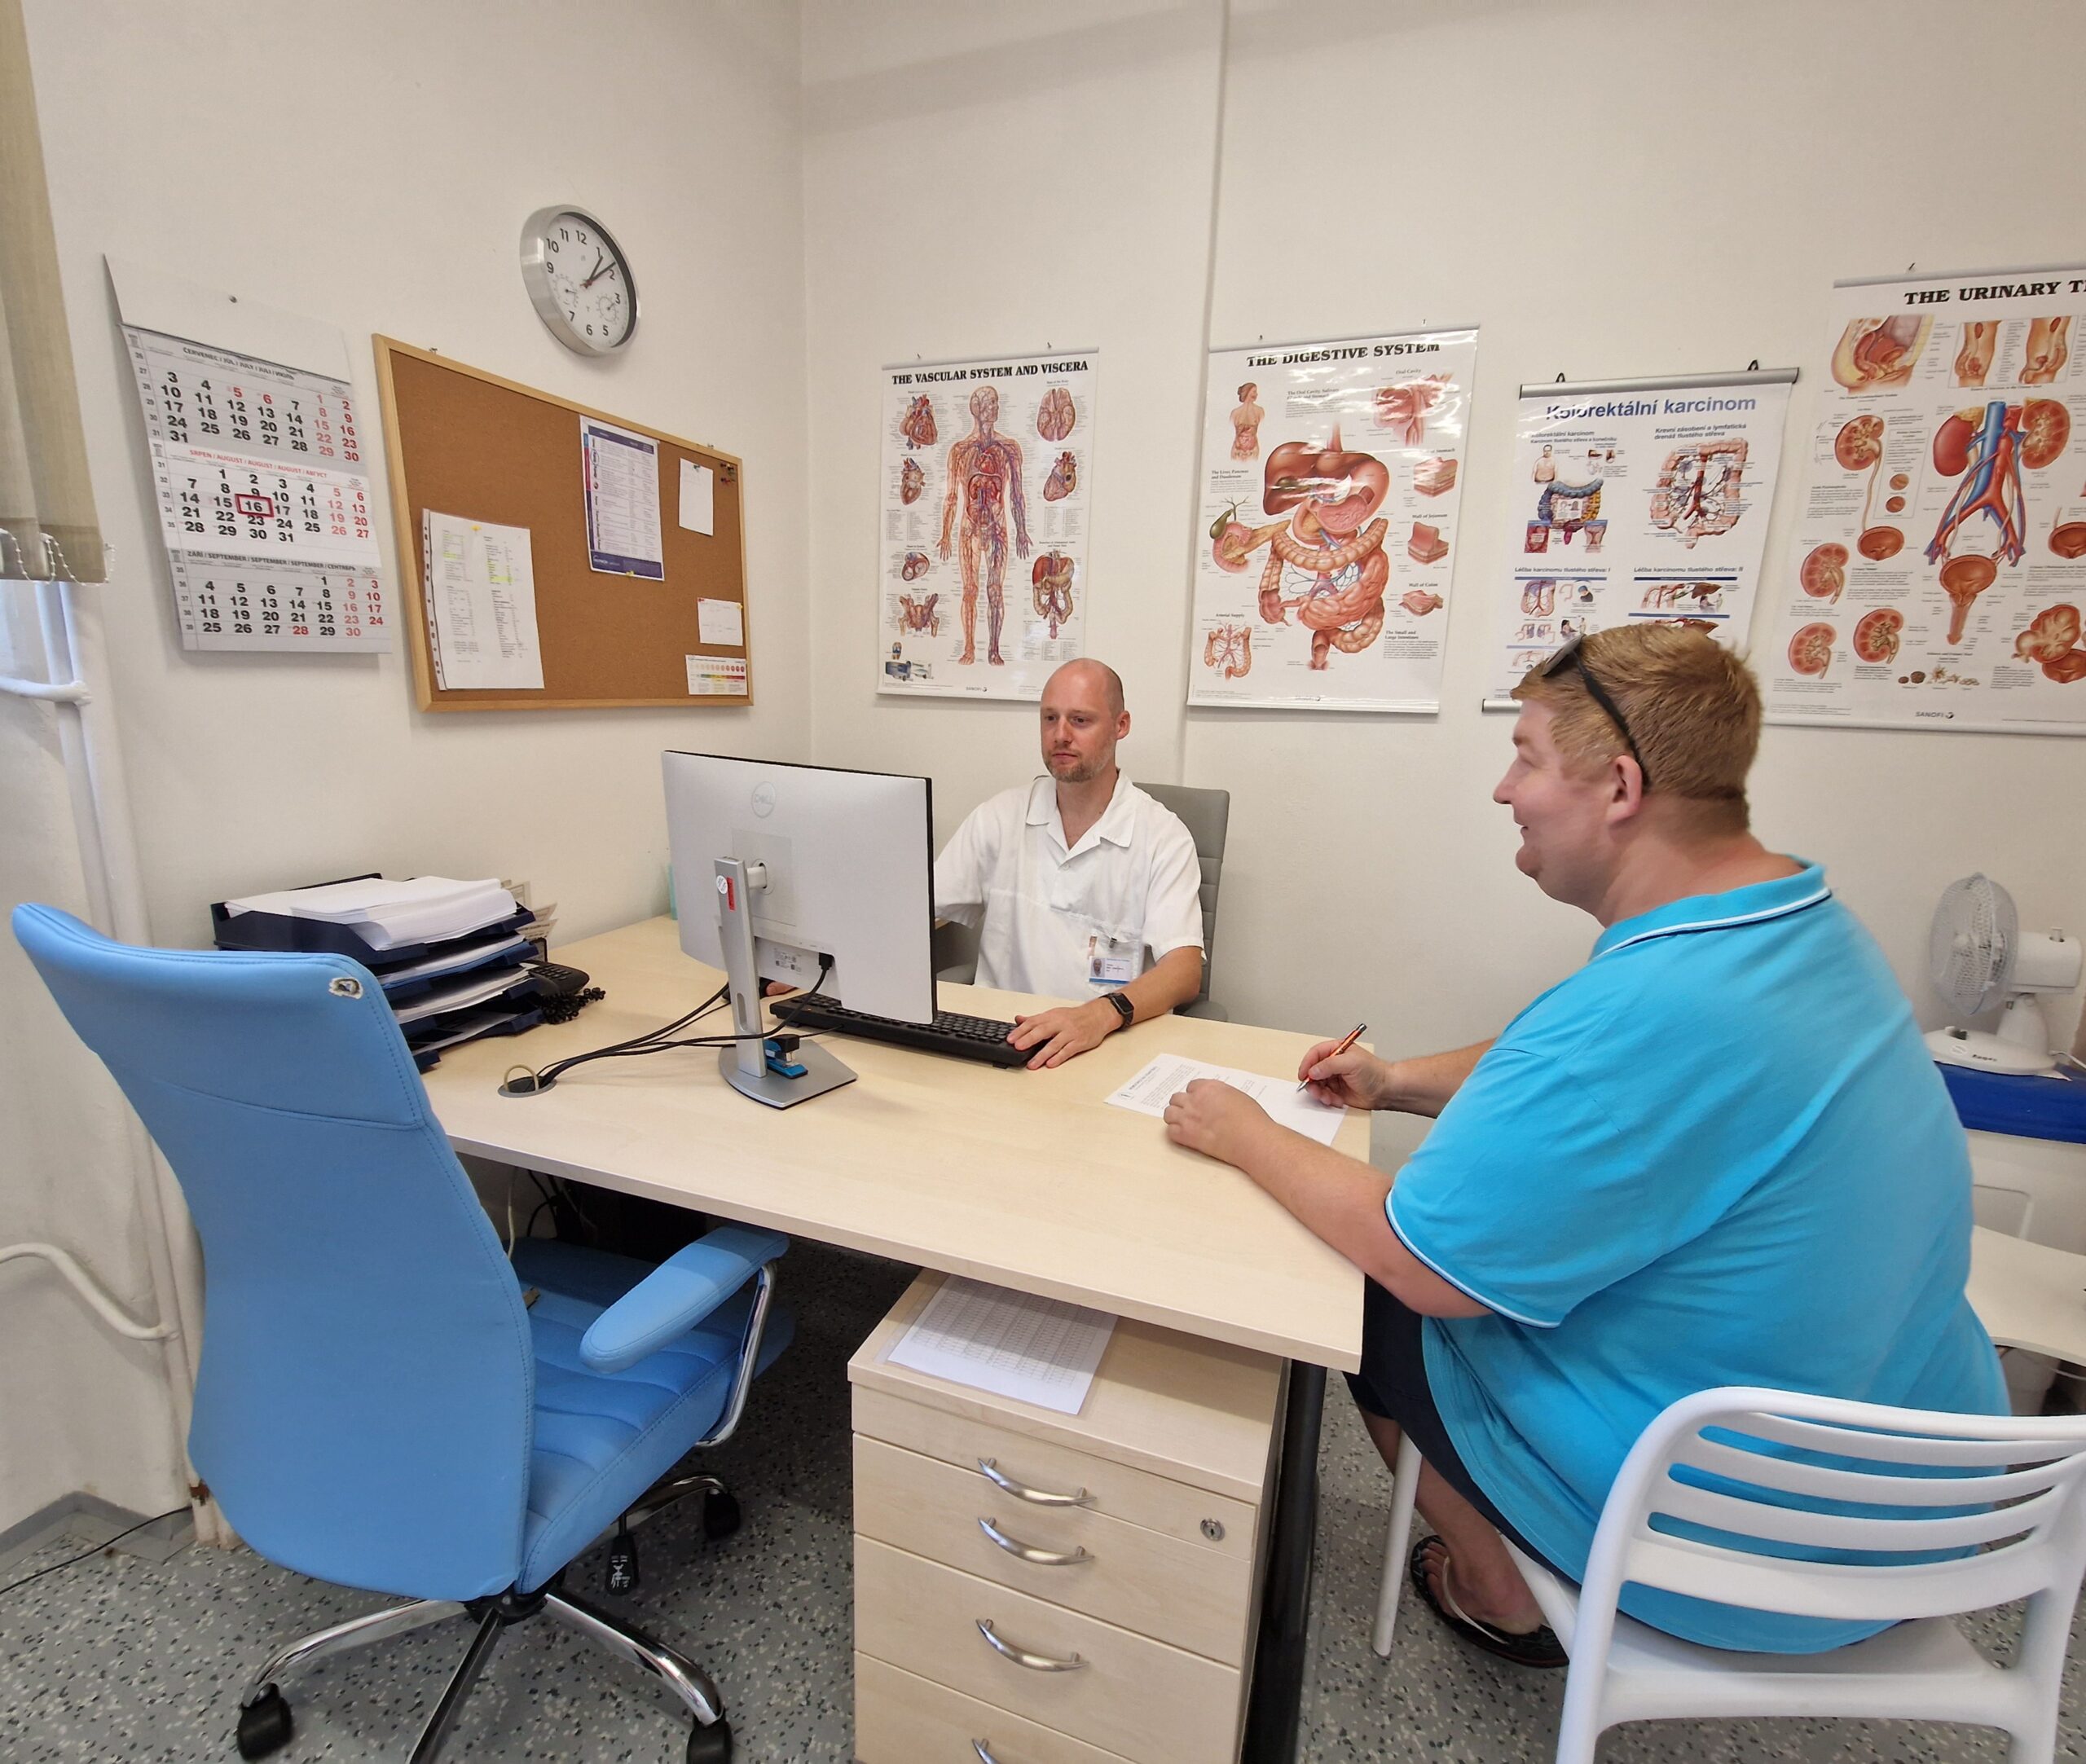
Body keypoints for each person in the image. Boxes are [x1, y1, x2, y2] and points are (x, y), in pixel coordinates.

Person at [1161, 625, 2004, 1662]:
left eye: (1525, 757)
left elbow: (1419, 1259)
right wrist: (1397, 1080)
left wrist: (1242, 1131)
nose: (1504, 790)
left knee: (1364, 1289)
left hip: (1759, 1545)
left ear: (1618, 787)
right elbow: (1575, 1078)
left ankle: (1499, 1590)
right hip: (1920, 1500)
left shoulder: (1646, 1008)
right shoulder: (1788, 921)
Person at [935, 659, 1204, 1070]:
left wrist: (1098, 1015)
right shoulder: (1000, 817)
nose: (1060, 735)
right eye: (1050, 718)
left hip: (1109, 1046)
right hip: (1003, 1043)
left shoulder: (1163, 835)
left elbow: (1184, 972)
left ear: (1120, 725)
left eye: (1080, 720)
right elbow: (923, 908)